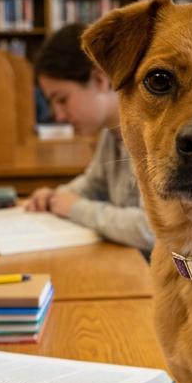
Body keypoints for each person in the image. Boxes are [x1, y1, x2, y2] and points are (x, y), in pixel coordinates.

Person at [25, 23, 154, 253]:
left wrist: (75, 208)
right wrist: (55, 197)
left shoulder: (151, 133)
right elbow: (94, 183)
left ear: (100, 80)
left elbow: (149, 229)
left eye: (62, 99)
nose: (59, 115)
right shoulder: (110, 131)